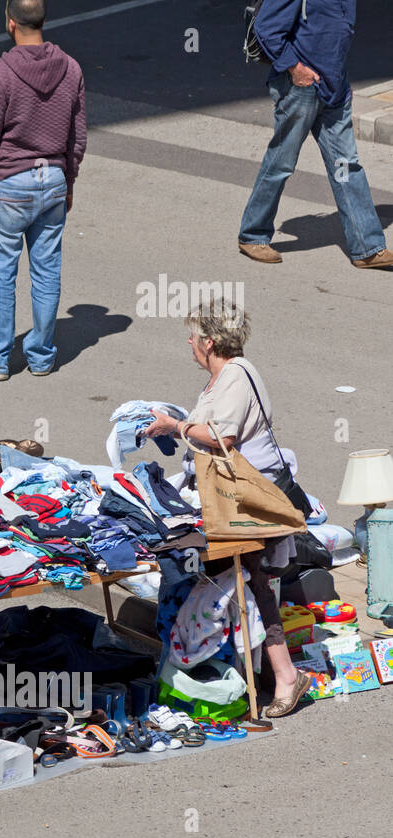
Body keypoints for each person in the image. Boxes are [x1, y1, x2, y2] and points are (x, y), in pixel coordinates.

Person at [143, 300, 309, 719]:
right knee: (246, 580)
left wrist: (174, 427)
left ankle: (278, 677)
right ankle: (254, 674)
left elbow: (224, 437)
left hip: (246, 502)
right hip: (232, 500)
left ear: (210, 341)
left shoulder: (234, 374)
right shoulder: (226, 376)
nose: (190, 343)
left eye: (194, 336)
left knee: (248, 579)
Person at [0, 0, 86, 382]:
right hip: (53, 182)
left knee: (1, 274)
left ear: (10, 23)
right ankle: (42, 356)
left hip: (13, 184)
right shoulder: (72, 69)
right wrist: (70, 181)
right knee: (47, 272)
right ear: (42, 21)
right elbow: (77, 138)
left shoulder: (1, 74)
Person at [238, 0, 392, 269]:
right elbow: (267, 27)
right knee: (281, 163)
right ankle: (253, 235)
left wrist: (341, 80)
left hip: (334, 89)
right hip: (299, 88)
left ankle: (367, 247)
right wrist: (295, 69)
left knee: (346, 166)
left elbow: (335, 37)